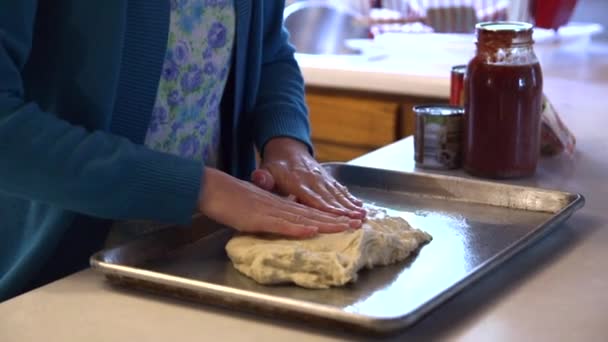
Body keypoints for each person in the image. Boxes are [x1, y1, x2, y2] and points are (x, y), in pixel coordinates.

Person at [0, 0, 366, 302]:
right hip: (54, 277)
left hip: (207, 261)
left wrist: (286, 142)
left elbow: (270, 52)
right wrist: (198, 188)